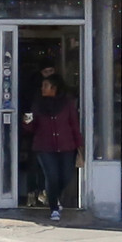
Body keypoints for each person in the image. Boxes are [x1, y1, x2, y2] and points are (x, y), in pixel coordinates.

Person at [22, 72, 82, 221]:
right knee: (52, 176)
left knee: (66, 175)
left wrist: (80, 146)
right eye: (42, 85)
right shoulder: (37, 105)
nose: (43, 88)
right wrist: (26, 121)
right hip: (44, 146)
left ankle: (51, 195)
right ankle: (54, 207)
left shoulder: (67, 104)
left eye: (46, 86)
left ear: (54, 88)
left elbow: (74, 125)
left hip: (66, 145)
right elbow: (30, 128)